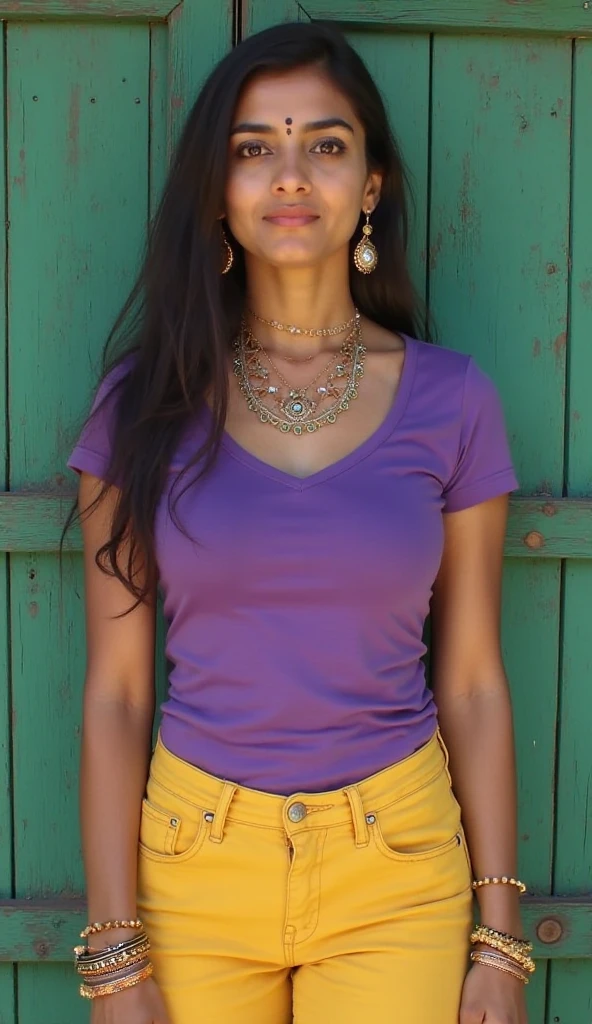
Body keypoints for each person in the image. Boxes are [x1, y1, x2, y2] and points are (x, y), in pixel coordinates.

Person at [64, 19, 532, 1024]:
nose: (288, 176)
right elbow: (115, 694)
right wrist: (115, 959)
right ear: (216, 192)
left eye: (325, 144)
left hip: (396, 866)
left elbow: (474, 679)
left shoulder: (453, 401)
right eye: (252, 148)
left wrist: (498, 942)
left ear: (369, 186)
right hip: (194, 865)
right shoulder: (142, 405)